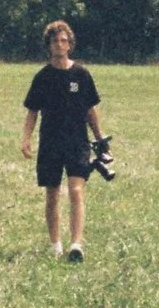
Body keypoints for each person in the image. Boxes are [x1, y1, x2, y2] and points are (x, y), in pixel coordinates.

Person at [19, 19, 103, 262]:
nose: (59, 44)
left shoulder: (82, 74)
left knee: (76, 190)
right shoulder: (42, 77)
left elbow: (91, 110)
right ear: (49, 45)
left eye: (63, 40)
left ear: (70, 45)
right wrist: (26, 138)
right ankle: (55, 244)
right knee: (52, 193)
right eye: (55, 40)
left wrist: (99, 139)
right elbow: (32, 111)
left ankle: (76, 244)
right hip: (50, 142)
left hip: (77, 141)